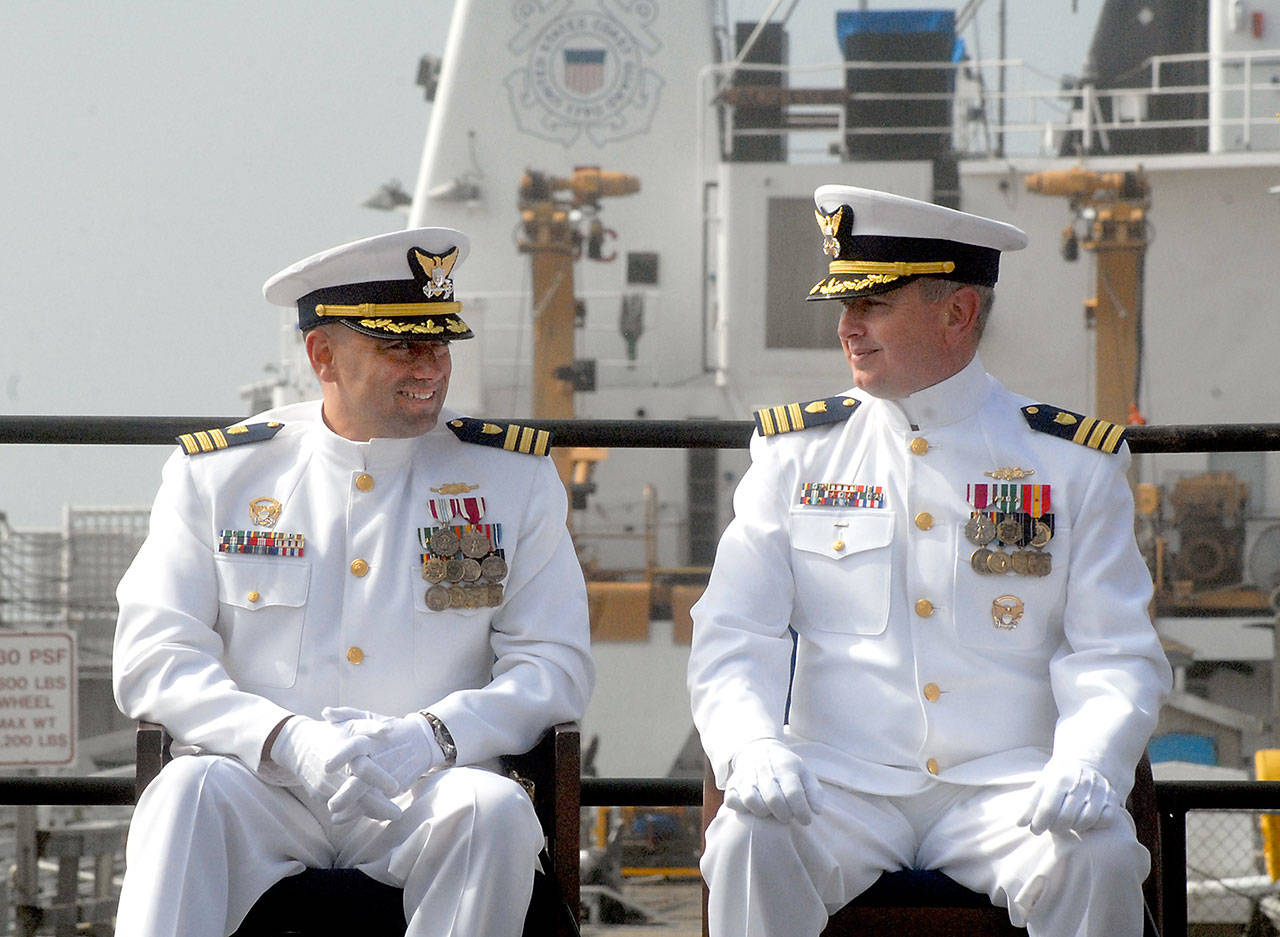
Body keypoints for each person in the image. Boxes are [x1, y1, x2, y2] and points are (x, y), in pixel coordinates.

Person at [688, 186, 1171, 937]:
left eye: (872, 304)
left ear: (958, 313)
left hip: (1005, 787)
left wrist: (1090, 762)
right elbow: (731, 634)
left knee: (1100, 855)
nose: (847, 328)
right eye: (846, 307)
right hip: (838, 785)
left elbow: (1115, 652)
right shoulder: (796, 452)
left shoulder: (1069, 462)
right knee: (751, 837)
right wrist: (749, 745)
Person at [112, 226, 594, 937]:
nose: (430, 365)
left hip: (426, 788)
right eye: (400, 344)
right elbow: (154, 655)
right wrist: (283, 738)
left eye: (440, 342)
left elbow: (554, 665)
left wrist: (435, 736)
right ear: (322, 355)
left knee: (491, 812)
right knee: (185, 792)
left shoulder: (511, 478)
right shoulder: (220, 475)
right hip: (266, 784)